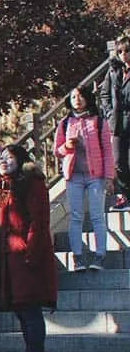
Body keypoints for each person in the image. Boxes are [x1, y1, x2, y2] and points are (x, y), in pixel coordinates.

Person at [0, 145, 56, 352]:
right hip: (11, 257)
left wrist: (31, 252)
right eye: (1, 158)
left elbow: (39, 221)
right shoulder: (5, 186)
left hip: (27, 256)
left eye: (9, 157)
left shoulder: (32, 183)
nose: (3, 161)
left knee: (30, 309)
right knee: (22, 310)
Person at [55, 85, 114, 271]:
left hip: (95, 175)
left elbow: (107, 150)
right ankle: (78, 257)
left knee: (97, 216)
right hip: (73, 175)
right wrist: (68, 146)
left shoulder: (98, 122)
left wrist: (109, 176)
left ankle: (100, 256)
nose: (77, 100)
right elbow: (57, 150)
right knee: (75, 216)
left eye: (80, 96)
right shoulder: (65, 123)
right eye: (73, 97)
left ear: (88, 98)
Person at [98, 34, 130, 207]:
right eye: (120, 51)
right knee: (118, 161)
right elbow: (104, 93)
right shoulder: (113, 71)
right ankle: (125, 195)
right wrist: (110, 112)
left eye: (127, 50)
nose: (124, 54)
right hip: (117, 122)